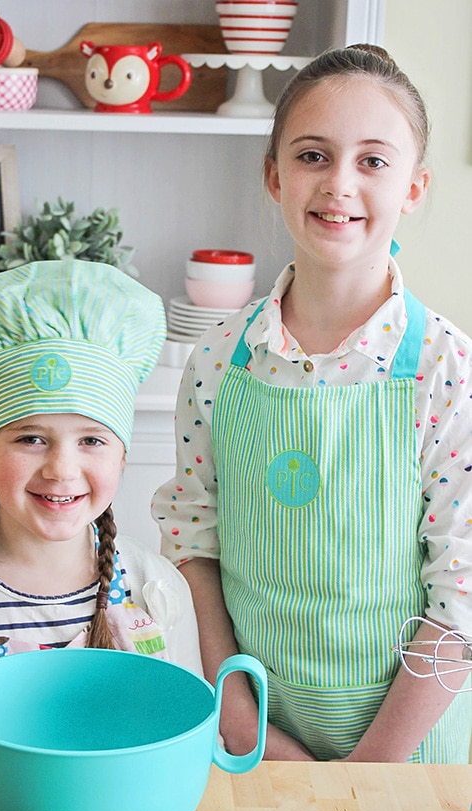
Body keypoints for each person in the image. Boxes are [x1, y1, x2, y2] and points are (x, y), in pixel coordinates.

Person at [152, 44, 472, 763]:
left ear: (414, 188)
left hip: (409, 756)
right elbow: (196, 541)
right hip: (255, 740)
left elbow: (463, 598)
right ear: (274, 175)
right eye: (312, 155)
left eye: (373, 161)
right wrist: (239, 715)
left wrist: (368, 772)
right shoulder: (216, 362)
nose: (340, 184)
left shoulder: (445, 370)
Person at [0, 259, 202, 751]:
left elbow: (183, 737)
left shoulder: (156, 588)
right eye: (31, 438)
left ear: (123, 455)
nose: (62, 469)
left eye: (92, 440)